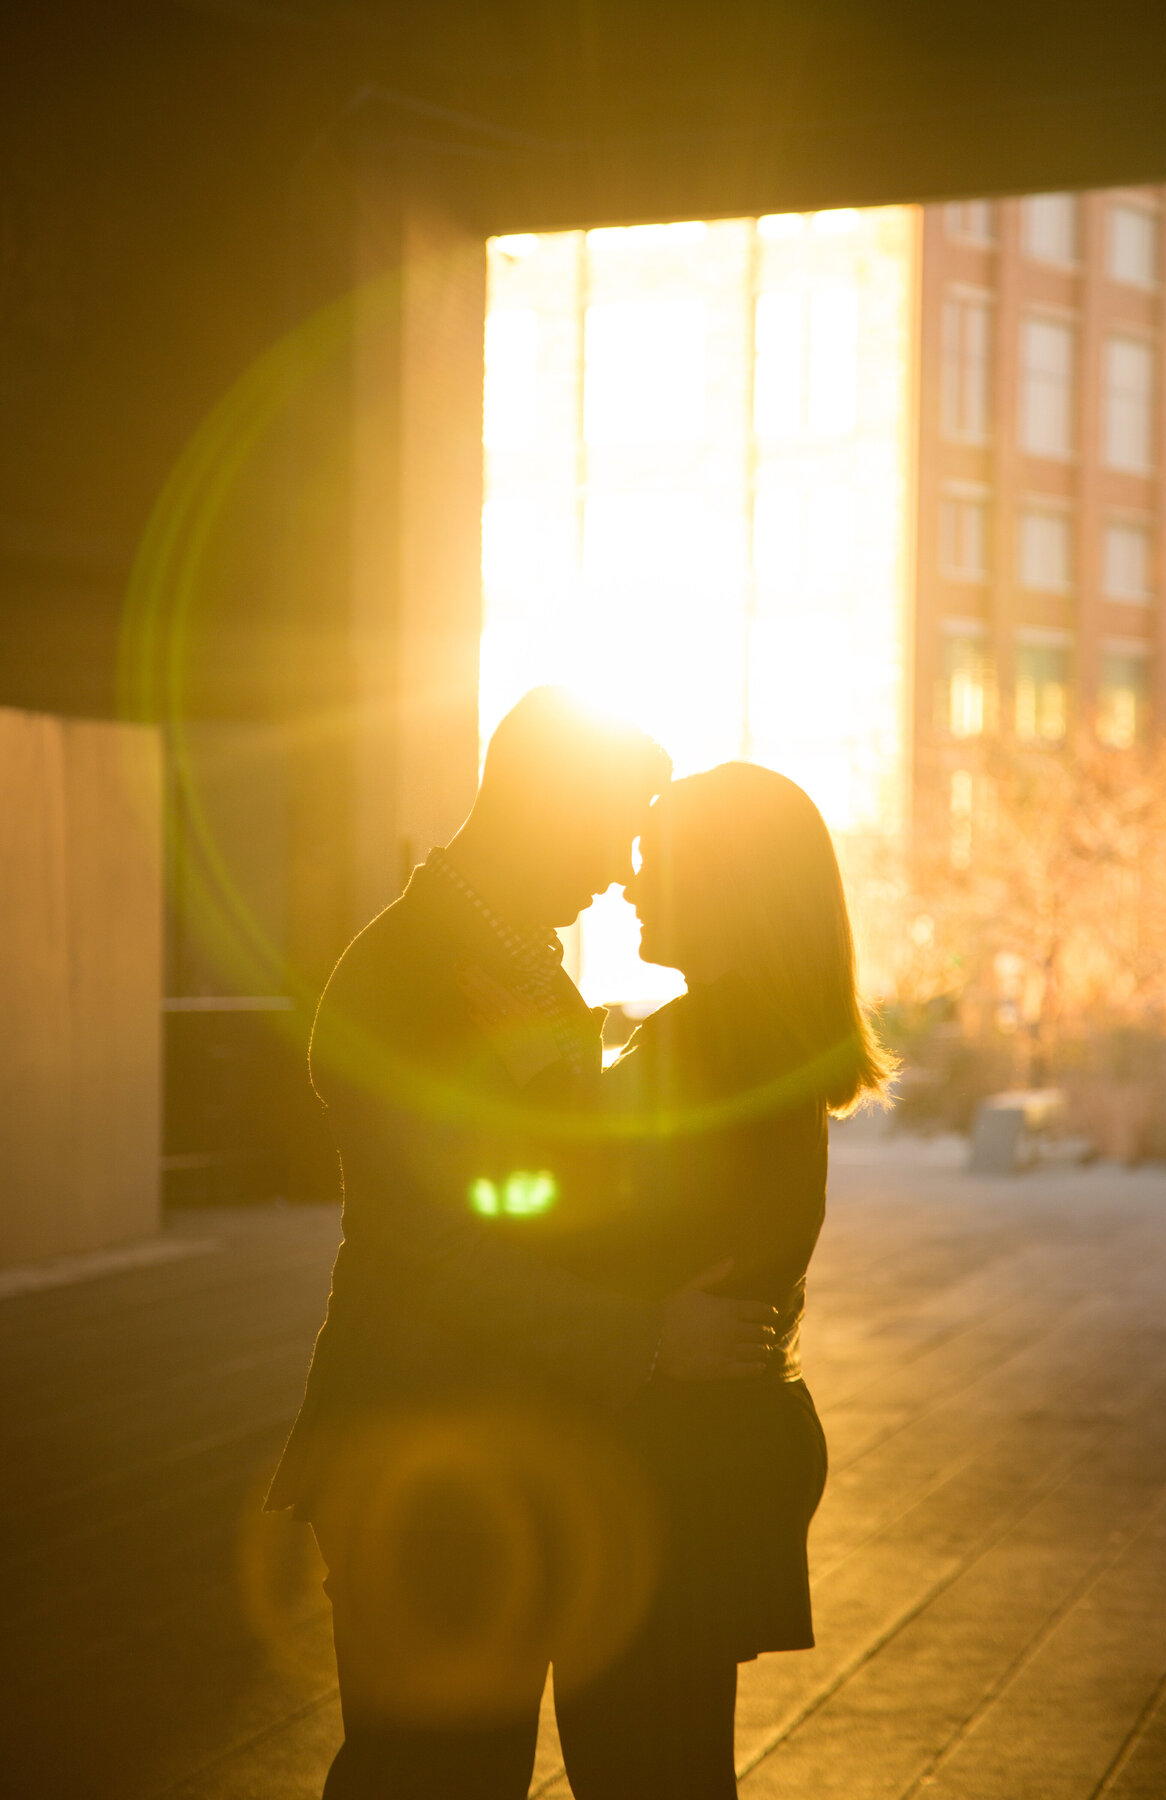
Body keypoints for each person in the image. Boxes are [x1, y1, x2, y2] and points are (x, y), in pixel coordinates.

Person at [264, 690, 777, 1800]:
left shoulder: (516, 957)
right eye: (617, 825)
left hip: (486, 1455)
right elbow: (434, 1248)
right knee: (429, 1772)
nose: (625, 866)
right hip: (419, 1457)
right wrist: (652, 1337)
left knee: (466, 1768)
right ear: (548, 810)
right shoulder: (408, 972)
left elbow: (545, 1187)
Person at [543, 762, 897, 1798]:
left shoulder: (703, 1044)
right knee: (676, 1761)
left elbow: (562, 1230)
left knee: (637, 1764)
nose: (631, 887)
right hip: (724, 1448)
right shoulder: (767, 1039)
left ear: (722, 878)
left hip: (668, 1465)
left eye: (655, 860)